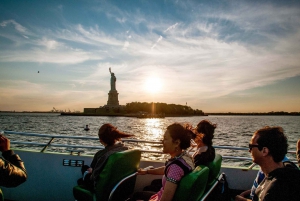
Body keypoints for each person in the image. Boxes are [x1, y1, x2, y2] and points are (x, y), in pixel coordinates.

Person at [132, 123, 195, 201]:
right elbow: (166, 169)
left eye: (165, 139)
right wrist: (147, 171)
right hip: (158, 195)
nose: (162, 141)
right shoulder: (184, 157)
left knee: (136, 196)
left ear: (177, 143)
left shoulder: (175, 168)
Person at [242, 126, 300, 201]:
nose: (249, 150)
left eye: (251, 146)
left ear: (264, 151)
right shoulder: (289, 167)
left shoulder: (274, 191)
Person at [78, 123, 133, 190]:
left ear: (101, 140)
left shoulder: (101, 155)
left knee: (83, 171)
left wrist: (91, 171)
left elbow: (94, 177)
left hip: (103, 187)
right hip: (120, 185)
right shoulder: (125, 149)